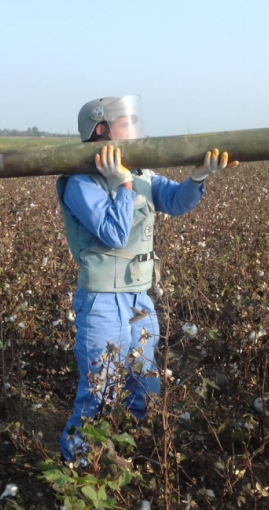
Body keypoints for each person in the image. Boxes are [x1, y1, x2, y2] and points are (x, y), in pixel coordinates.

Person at [55, 95, 238, 463]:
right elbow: (113, 233)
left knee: (144, 382)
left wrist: (197, 176)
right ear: (101, 129)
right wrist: (122, 187)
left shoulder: (142, 174)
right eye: (126, 123)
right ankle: (76, 464)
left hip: (139, 297)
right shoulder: (80, 182)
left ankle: (130, 453)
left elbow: (176, 201)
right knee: (99, 387)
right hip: (102, 301)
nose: (134, 130)